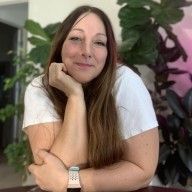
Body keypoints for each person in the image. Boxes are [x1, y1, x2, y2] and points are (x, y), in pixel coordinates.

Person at [23, 5, 159, 192]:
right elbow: (53, 172)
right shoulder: (39, 88)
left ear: (108, 52)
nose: (87, 51)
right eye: (76, 38)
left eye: (99, 43)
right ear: (60, 44)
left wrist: (69, 181)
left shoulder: (125, 81)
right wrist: (75, 96)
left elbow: (142, 171)